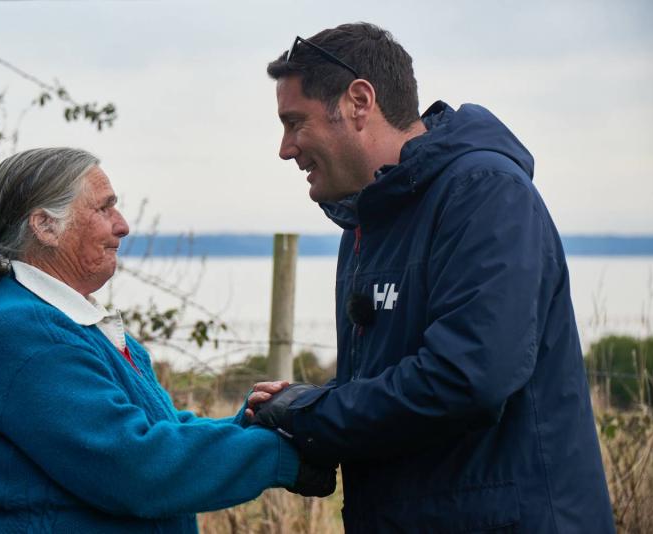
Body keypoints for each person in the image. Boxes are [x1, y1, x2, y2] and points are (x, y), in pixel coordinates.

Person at [247, 22, 615, 532]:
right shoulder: (366, 220)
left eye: (295, 122)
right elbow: (390, 386)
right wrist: (307, 425)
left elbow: (467, 377)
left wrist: (311, 415)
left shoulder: (483, 194)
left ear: (358, 101)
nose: (285, 149)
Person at [0, 148, 334, 533]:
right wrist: (277, 455)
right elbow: (135, 469)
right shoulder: (23, 333)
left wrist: (245, 426)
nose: (123, 225)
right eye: (104, 208)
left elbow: (153, 429)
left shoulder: (68, 321)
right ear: (45, 226)